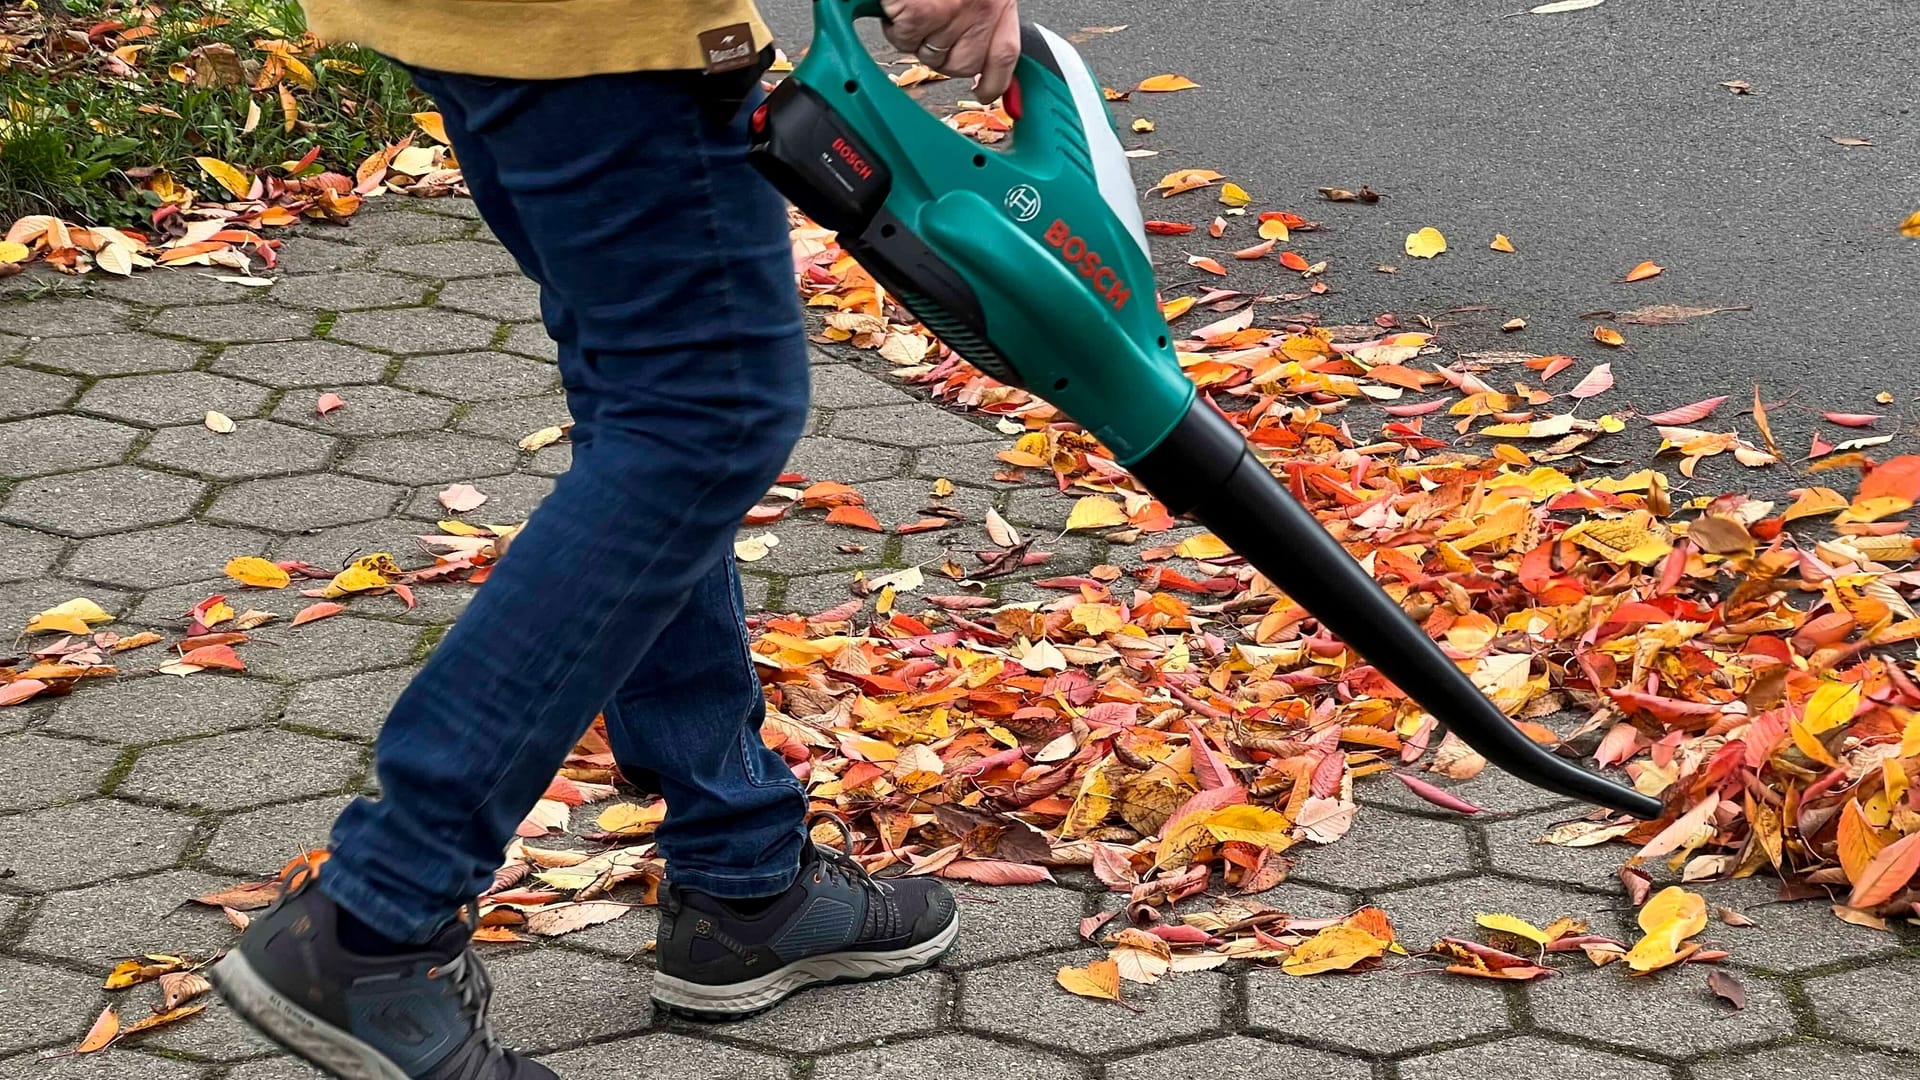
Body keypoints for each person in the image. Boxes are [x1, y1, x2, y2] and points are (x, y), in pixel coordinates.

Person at [208, 0, 1022, 1075]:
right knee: (703, 418)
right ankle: (376, 918)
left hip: (484, 28)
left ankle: (744, 874)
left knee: (647, 404)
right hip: (605, 31)